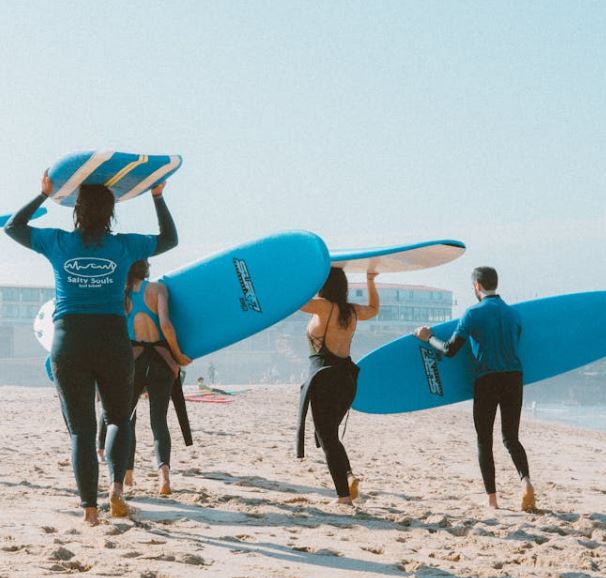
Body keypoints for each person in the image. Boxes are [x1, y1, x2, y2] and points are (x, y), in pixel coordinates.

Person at [4, 172, 178, 525]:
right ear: (112, 213)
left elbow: (13, 227)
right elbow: (169, 239)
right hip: (113, 339)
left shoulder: (57, 242)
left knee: (81, 430)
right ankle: (116, 489)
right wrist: (157, 196)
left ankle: (89, 510)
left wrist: (42, 194)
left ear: (76, 211)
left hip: (70, 339)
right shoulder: (124, 246)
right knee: (118, 418)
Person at [414, 266, 535, 511]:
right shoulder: (513, 314)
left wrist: (427, 338)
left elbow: (449, 350)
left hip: (487, 379)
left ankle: (492, 499)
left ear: (477, 286)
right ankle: (526, 483)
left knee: (484, 439)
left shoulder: (472, 313)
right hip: (514, 377)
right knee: (511, 437)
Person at [298, 268, 379, 505]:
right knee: (330, 435)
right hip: (347, 379)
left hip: (325, 378)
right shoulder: (350, 310)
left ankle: (344, 497)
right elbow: (374, 310)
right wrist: (370, 280)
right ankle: (348, 476)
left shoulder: (323, 306)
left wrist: (310, 274)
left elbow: (298, 302)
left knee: (328, 438)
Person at [124, 259, 191, 495]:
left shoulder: (121, 295)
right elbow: (165, 324)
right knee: (158, 421)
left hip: (133, 361)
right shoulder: (158, 289)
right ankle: (164, 478)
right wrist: (178, 355)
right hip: (161, 361)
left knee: (126, 419)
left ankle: (127, 474)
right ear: (146, 268)